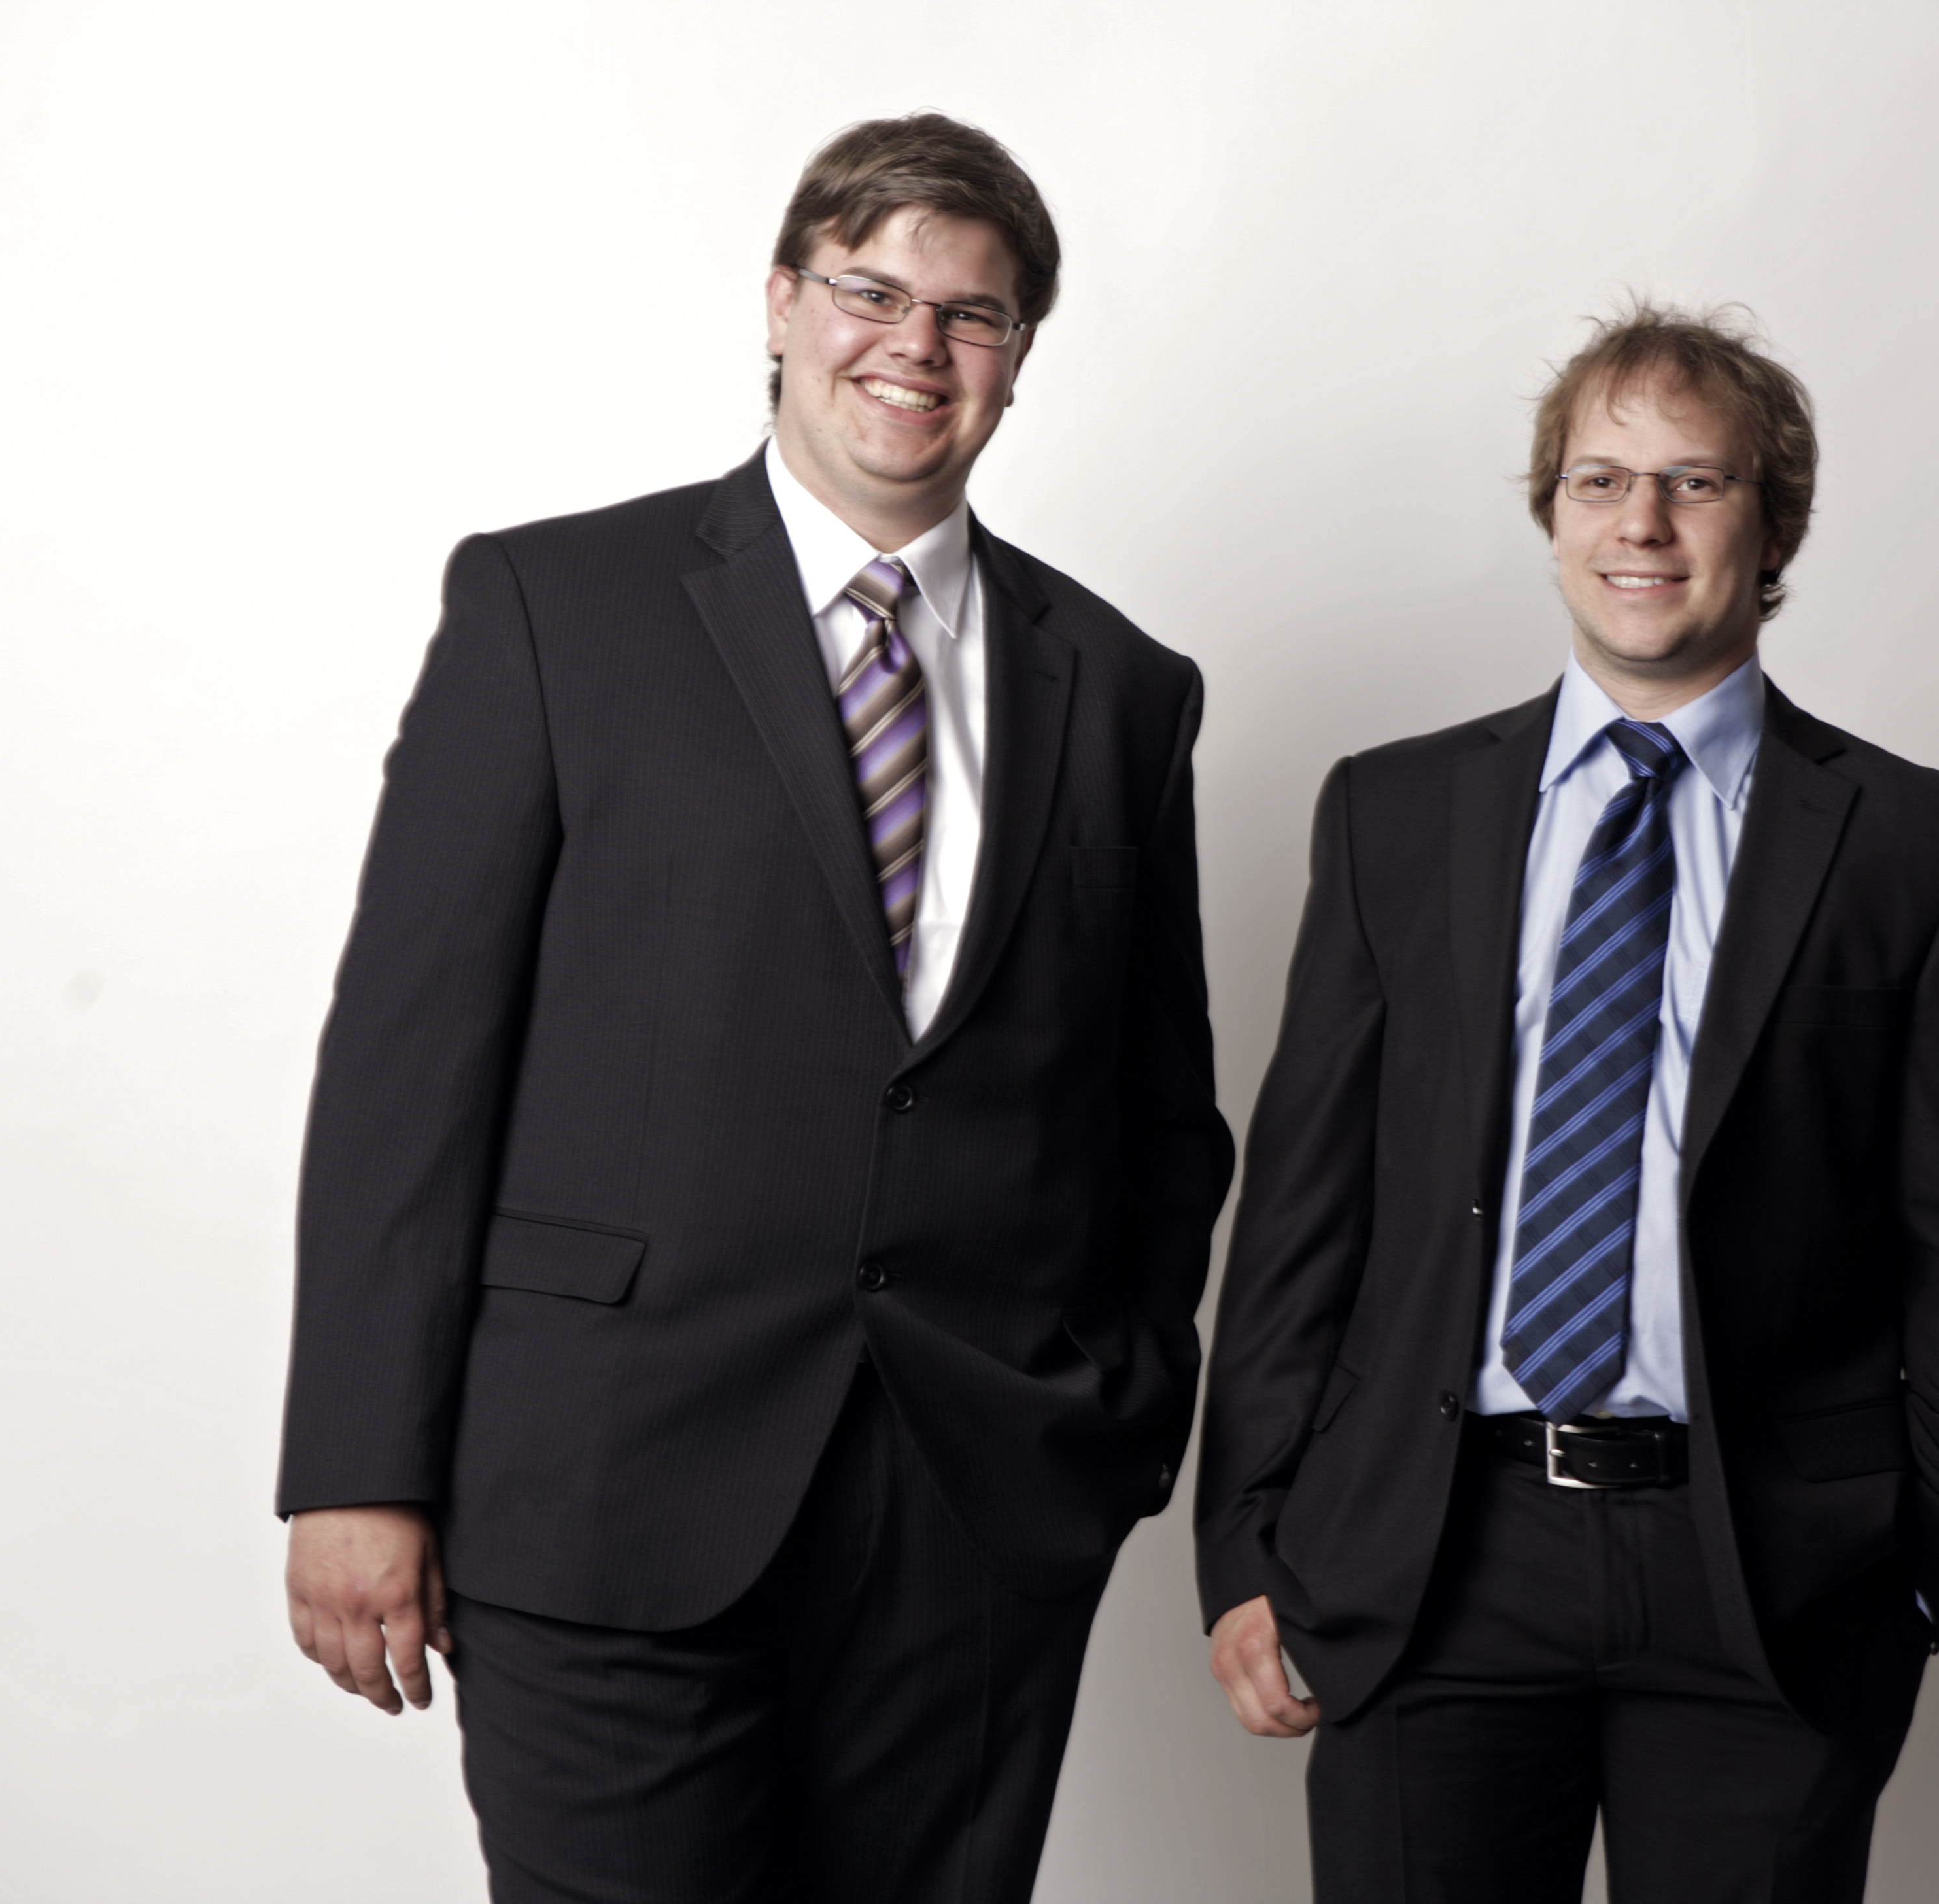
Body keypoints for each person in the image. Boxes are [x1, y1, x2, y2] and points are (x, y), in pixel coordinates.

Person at [276, 114, 1235, 1904]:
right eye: (872, 291)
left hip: (973, 1522)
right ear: (783, 303)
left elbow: (1157, 1114)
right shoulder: (555, 606)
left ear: (1019, 355)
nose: (917, 345)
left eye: (973, 313)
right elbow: (410, 1070)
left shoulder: (1120, 685)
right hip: (604, 1486)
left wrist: (1110, 1414)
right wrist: (355, 1466)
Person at [1193, 301, 1939, 1902]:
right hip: (1433, 1554)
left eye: (1694, 482)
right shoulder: (1393, 813)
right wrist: (1246, 1542)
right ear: (1553, 516)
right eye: (1600, 481)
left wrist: (1931, 1559)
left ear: (1772, 524)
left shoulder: (1924, 850)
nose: (1640, 525)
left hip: (1766, 1573)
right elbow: (1303, 1211)